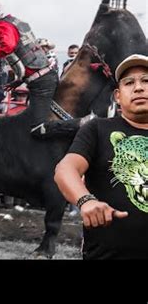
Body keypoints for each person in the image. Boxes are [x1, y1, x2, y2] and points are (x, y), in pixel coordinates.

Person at [54, 54, 148, 259]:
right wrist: (86, 201)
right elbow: (66, 169)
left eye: (146, 81)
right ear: (117, 96)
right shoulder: (98, 129)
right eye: (129, 82)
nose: (139, 88)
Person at [0, 6, 87, 139]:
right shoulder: (13, 22)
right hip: (43, 78)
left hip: (41, 83)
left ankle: (83, 123)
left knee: (37, 128)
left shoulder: (2, 26)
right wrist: (19, 81)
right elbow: (28, 57)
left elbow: (8, 46)